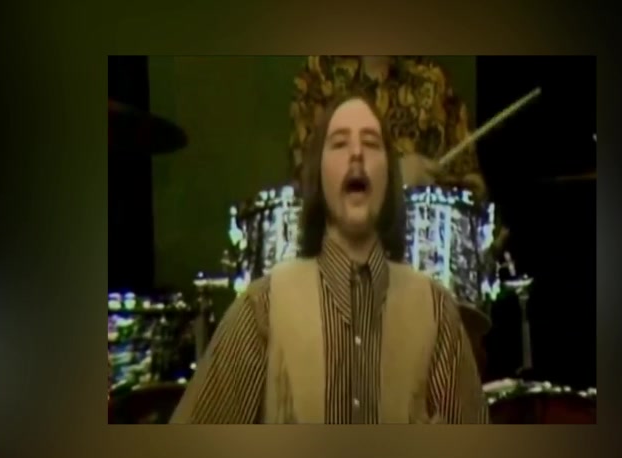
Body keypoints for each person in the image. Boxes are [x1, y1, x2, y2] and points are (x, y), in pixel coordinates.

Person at [170, 95, 488, 424]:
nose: (357, 153)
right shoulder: (262, 308)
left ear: (390, 177)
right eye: (339, 143)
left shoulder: (436, 311)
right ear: (318, 177)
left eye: (371, 143)